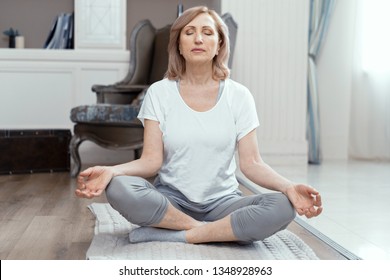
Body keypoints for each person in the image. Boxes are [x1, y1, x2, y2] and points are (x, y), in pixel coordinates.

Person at [75, 6, 322, 244]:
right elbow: (151, 161)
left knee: (283, 206)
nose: (198, 39)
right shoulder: (159, 92)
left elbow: (252, 164)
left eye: (207, 32)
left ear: (219, 45)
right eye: (189, 32)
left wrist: (289, 187)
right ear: (179, 45)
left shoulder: (239, 95)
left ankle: (178, 234)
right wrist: (112, 171)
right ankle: (213, 232)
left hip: (224, 204)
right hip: (171, 201)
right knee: (118, 187)